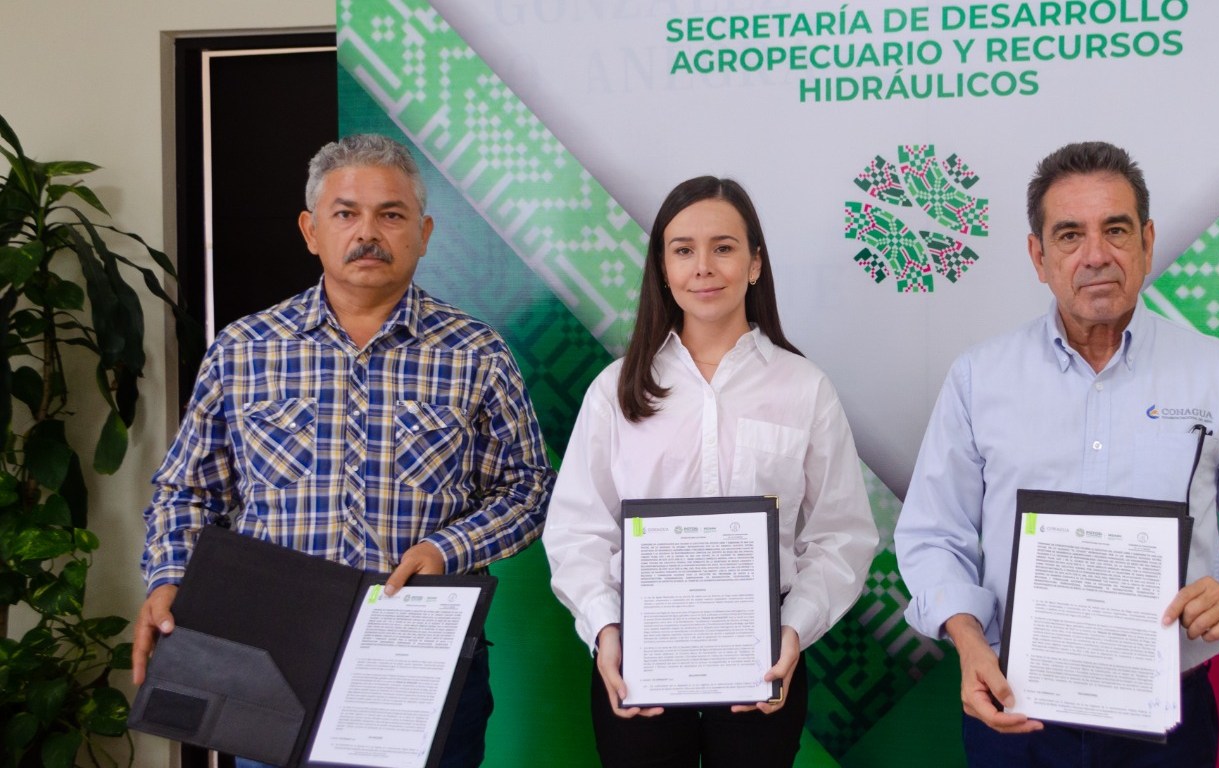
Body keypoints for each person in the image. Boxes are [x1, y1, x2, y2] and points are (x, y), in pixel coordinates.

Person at [133, 134, 552, 768]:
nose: (368, 233)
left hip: (421, 654)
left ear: (424, 233)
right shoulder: (244, 349)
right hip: (272, 656)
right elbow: (187, 490)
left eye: (391, 214)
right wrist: (169, 578)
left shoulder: (477, 353)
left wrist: (447, 550)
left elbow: (528, 488)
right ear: (311, 230)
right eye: (346, 213)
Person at [894, 141, 1219, 767]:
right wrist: (967, 638)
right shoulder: (979, 379)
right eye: (1070, 235)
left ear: (1147, 242)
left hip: (1169, 722)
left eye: (1115, 230)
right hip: (1014, 711)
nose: (1096, 255)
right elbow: (934, 535)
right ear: (1038, 256)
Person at [544, 176, 878, 768]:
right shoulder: (615, 390)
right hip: (638, 653)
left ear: (755, 264)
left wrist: (793, 630)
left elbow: (841, 535)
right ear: (663, 268)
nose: (703, 267)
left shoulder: (804, 388)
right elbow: (577, 531)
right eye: (683, 250)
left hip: (764, 654)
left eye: (723, 247)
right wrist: (604, 629)